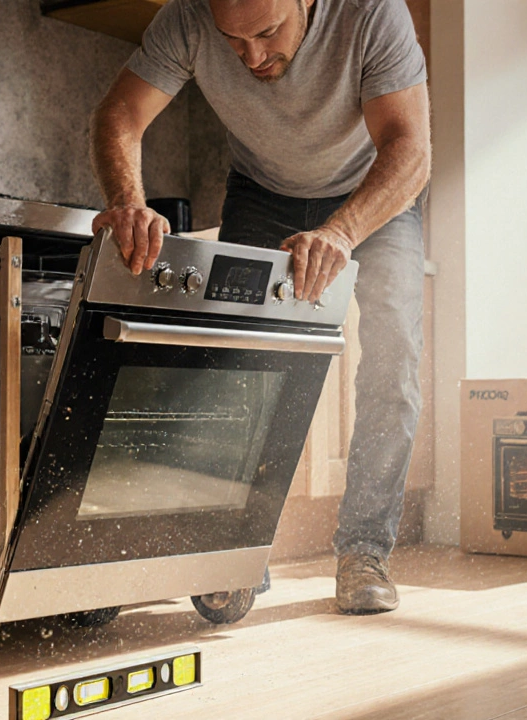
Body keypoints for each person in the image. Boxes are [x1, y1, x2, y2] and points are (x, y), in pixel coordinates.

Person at [89, 0, 430, 615]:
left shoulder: (373, 14)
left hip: (373, 198)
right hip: (262, 193)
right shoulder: (186, 19)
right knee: (232, 366)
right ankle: (234, 550)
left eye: (268, 33)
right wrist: (128, 201)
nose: (250, 57)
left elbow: (410, 148)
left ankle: (364, 553)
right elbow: (119, 116)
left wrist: (343, 232)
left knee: (394, 363)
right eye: (233, 41)